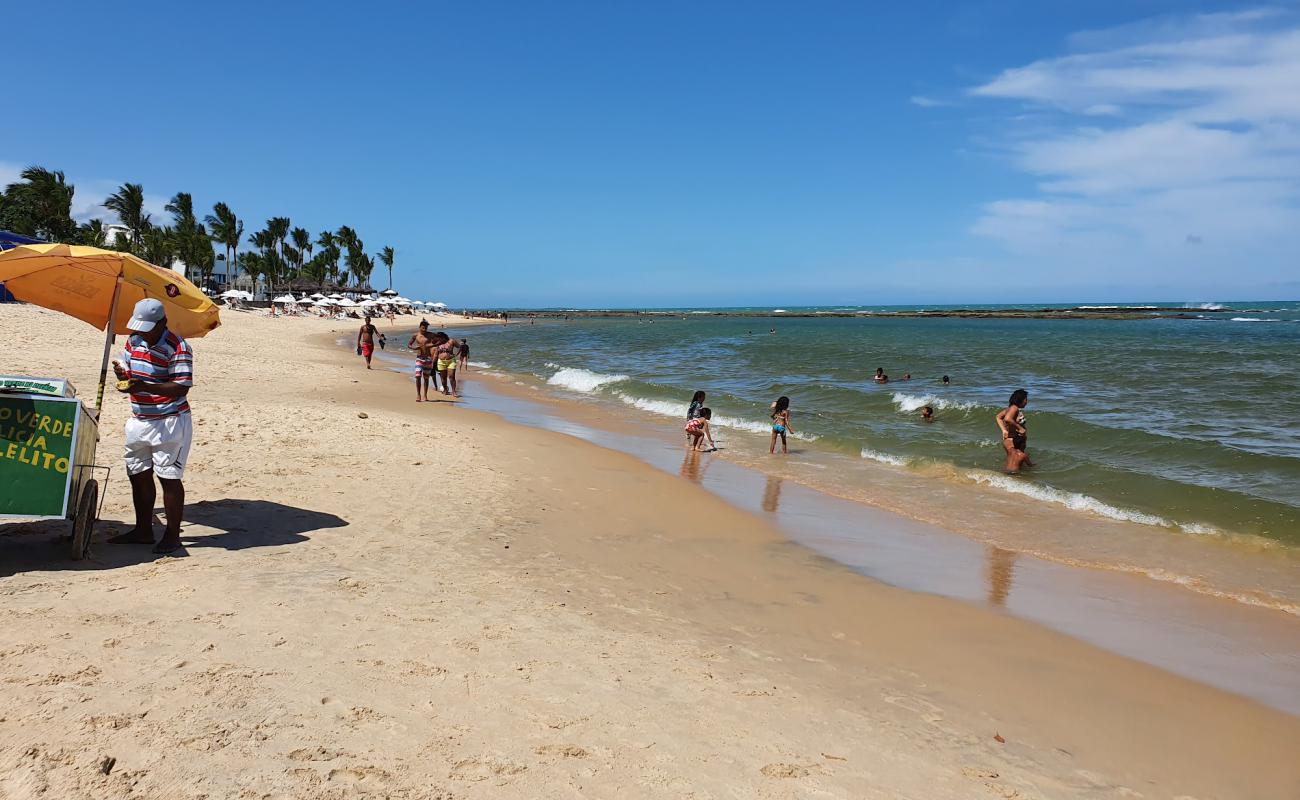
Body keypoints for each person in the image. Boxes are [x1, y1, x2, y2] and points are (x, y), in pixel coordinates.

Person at [107, 299, 194, 554]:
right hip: (139, 417)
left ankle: (172, 535)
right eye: (140, 327)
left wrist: (144, 386)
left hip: (169, 420)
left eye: (148, 328)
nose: (143, 332)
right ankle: (143, 530)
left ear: (163, 323)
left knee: (169, 477)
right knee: (138, 473)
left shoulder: (178, 347)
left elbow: (181, 386)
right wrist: (122, 373)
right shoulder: (134, 341)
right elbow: (129, 369)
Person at [995, 389, 1032, 473]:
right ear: (1021, 399)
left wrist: (1004, 430)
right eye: (1026, 399)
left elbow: (998, 417)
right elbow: (1008, 419)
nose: (1027, 401)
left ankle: (1007, 477)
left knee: (1012, 461)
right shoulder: (1014, 408)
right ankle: (1015, 479)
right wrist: (1020, 428)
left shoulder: (1009, 409)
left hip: (1010, 440)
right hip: (1014, 440)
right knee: (1017, 463)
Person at [408, 320, 436, 402]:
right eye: (423, 327)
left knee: (426, 378)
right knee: (418, 376)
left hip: (428, 359)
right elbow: (409, 344)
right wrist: (413, 348)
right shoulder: (415, 335)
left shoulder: (430, 335)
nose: (425, 329)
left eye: (426, 327)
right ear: (420, 327)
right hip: (419, 358)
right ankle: (418, 394)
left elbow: (439, 339)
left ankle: (425, 395)